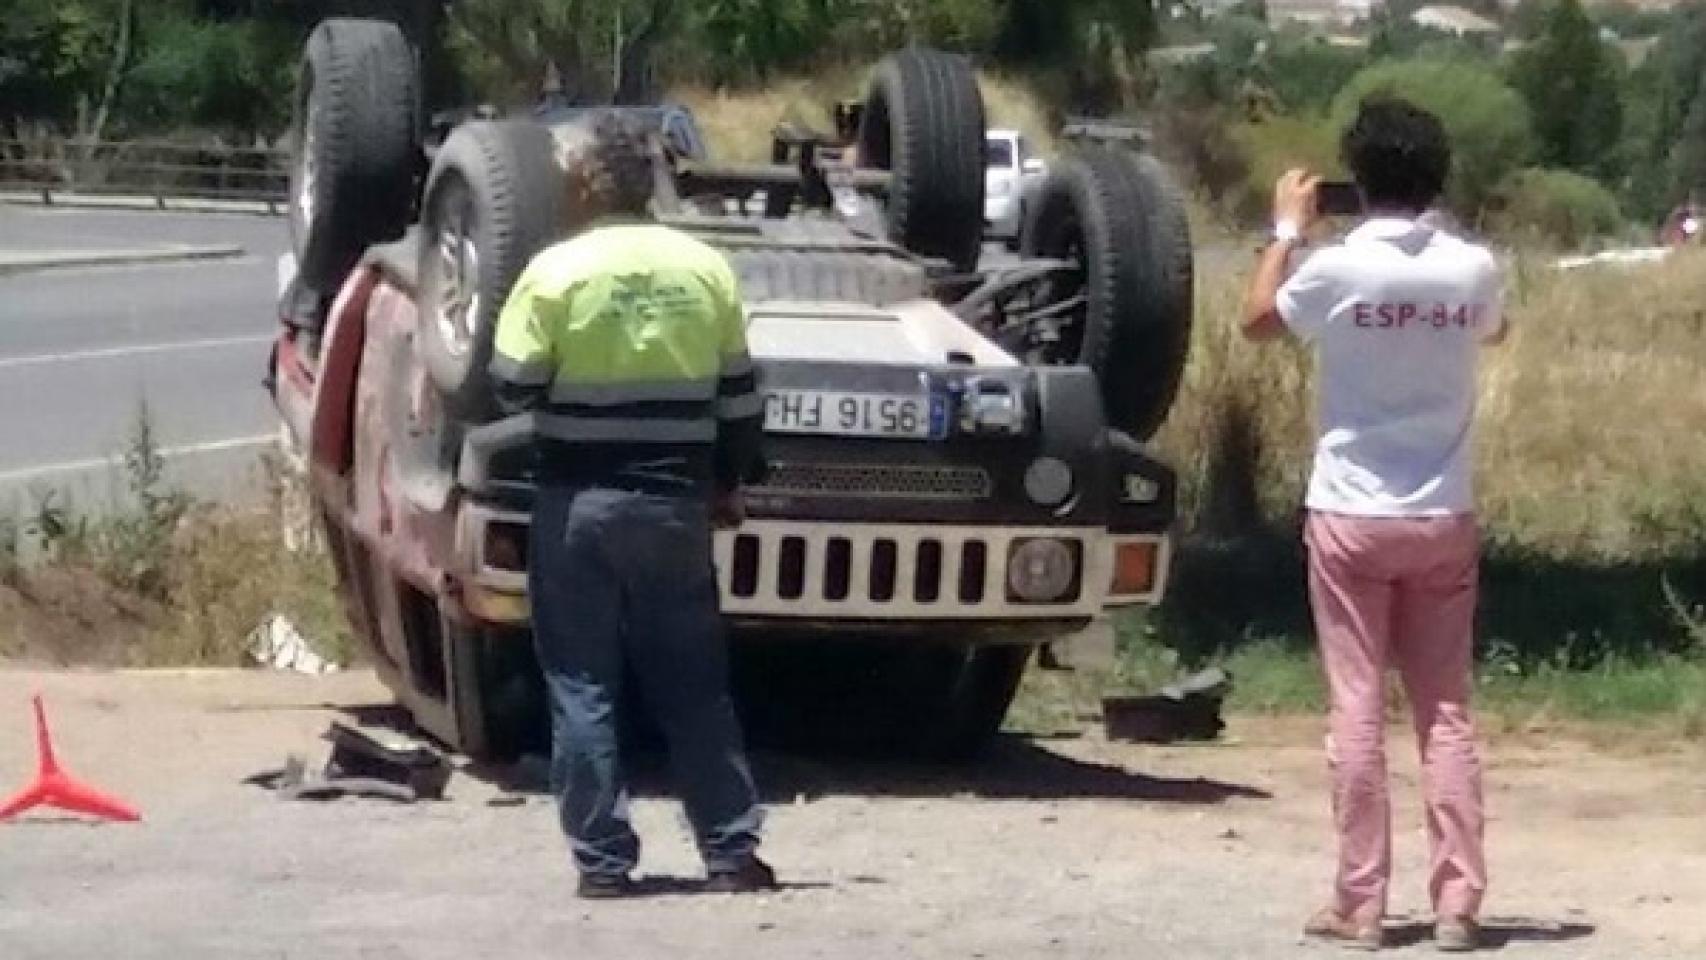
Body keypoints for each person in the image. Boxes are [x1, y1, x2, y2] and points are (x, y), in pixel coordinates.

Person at [1240, 97, 1507, 952]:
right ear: (1437, 176)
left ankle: (1362, 904)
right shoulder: (1471, 268)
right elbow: (1496, 331)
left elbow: (1257, 322)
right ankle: (1458, 902)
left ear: (1360, 178)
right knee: (1446, 711)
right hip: (1441, 508)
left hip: (1353, 508)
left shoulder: (1338, 268)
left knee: (1356, 708)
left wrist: (1286, 230)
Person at [488, 111, 774, 899]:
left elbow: (510, 381)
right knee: (693, 683)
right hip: (675, 504)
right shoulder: (705, 267)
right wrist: (729, 480)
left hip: (577, 503)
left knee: (583, 683)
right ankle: (730, 852)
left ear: (581, 185)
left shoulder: (556, 272)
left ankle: (603, 864)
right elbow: (741, 399)